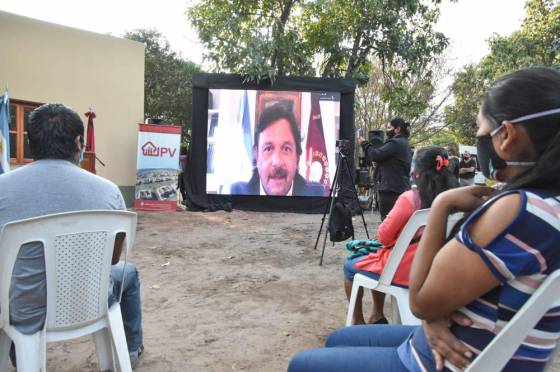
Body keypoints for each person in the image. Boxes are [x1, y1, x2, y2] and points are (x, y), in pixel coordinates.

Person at [288, 66, 560, 372]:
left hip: (443, 361)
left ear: (506, 135)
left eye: (480, 129)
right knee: (338, 339)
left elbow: (419, 301)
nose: (480, 138)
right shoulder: (546, 207)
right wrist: (432, 315)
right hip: (472, 345)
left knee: (302, 364)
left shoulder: (516, 209)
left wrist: (442, 206)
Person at [0, 104, 144, 368]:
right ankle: (132, 350)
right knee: (129, 273)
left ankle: (22, 354)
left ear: (31, 142)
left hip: (21, 308)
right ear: (79, 142)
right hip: (90, 302)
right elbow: (113, 258)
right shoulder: (108, 191)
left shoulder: (2, 188)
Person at [344, 146, 458, 325]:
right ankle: (377, 315)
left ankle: (358, 320)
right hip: (438, 268)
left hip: (406, 269)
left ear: (416, 172)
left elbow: (383, 237)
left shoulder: (410, 198)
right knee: (378, 256)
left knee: (350, 265)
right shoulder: (456, 199)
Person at [230, 103, 325, 196]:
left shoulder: (317, 195)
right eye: (268, 149)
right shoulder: (237, 194)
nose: (277, 162)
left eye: (286, 149)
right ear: (256, 155)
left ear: (297, 156)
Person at [360, 117, 412, 221]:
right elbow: (393, 162)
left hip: (391, 191)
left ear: (397, 129)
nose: (387, 130)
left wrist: (364, 143)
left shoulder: (395, 143)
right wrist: (380, 164)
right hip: (400, 187)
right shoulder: (404, 142)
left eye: (389, 127)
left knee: (388, 221)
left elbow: (375, 154)